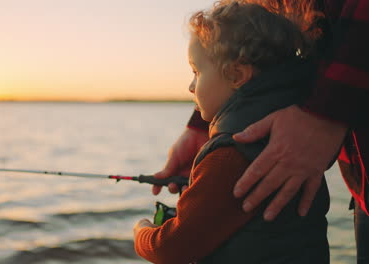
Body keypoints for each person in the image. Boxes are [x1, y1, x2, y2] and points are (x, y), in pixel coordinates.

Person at [154, 0, 369, 261]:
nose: (190, 86)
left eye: (196, 72)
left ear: (236, 75)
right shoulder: (289, 143)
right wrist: (202, 124)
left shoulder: (230, 156)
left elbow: (172, 247)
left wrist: (143, 231)